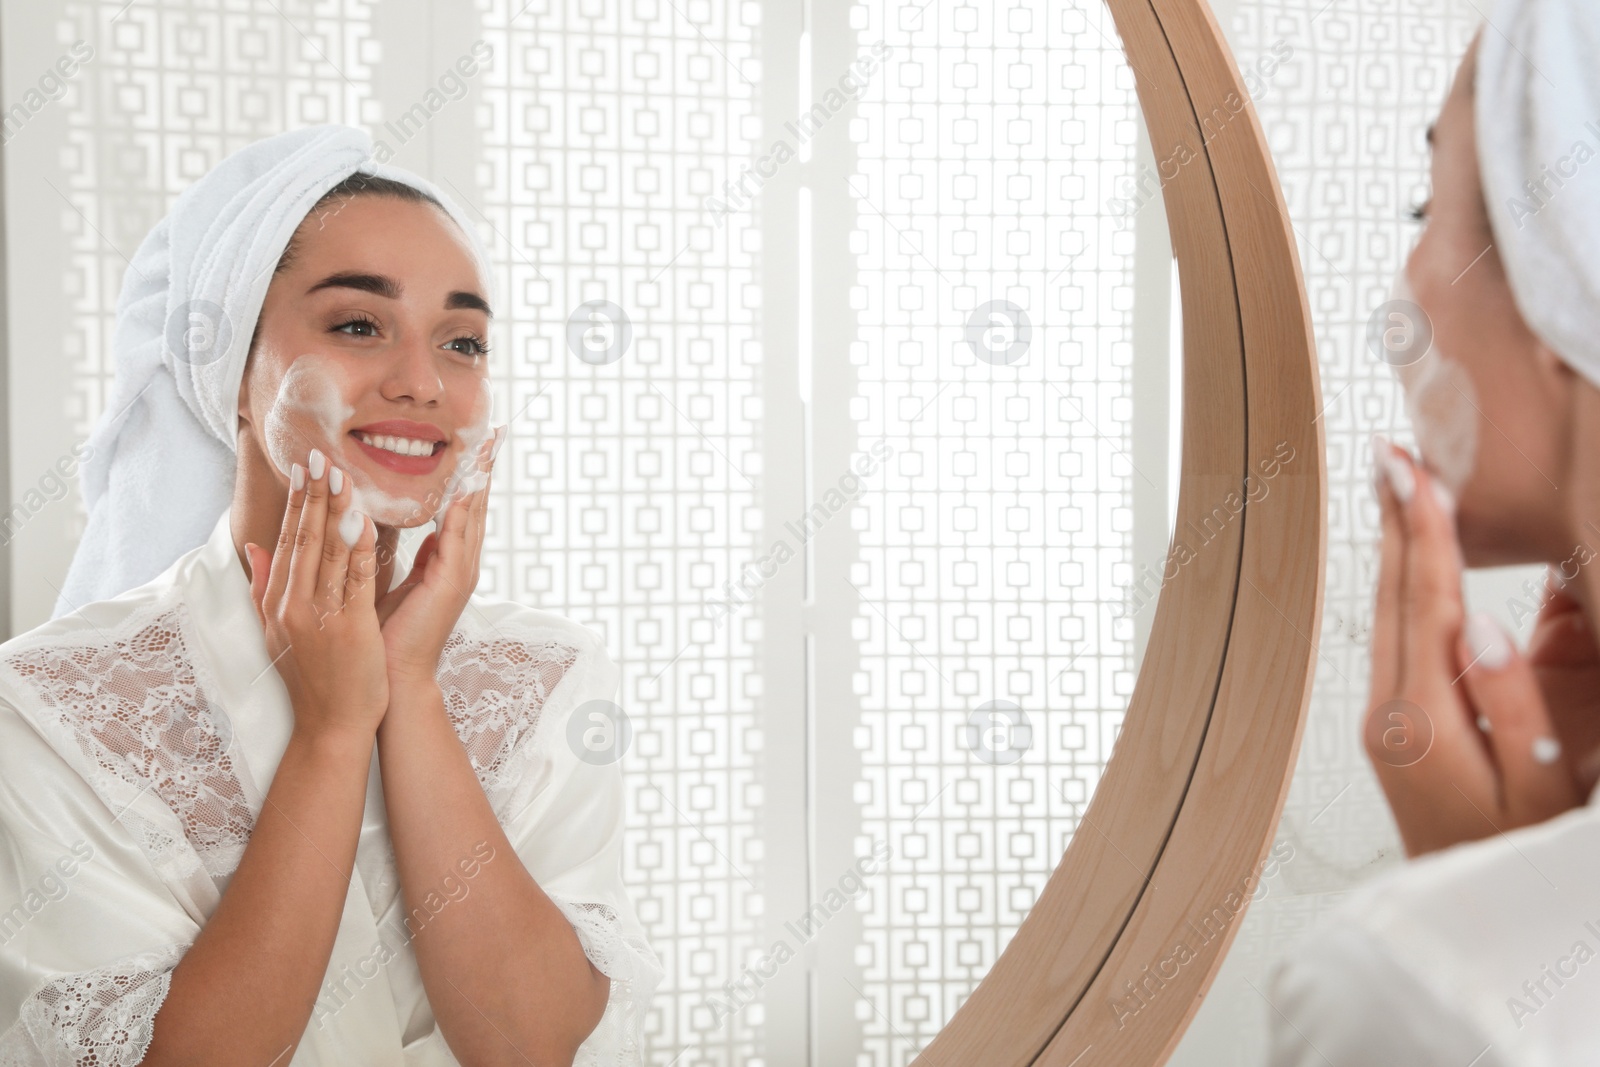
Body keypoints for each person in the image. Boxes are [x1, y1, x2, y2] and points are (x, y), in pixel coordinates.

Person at [0, 125, 662, 1065]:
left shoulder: (548, 677)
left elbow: (530, 1043)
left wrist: (413, 690)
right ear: (232, 372)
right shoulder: (49, 702)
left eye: (463, 341)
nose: (423, 381)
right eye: (358, 324)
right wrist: (333, 730)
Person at [1266, 1, 1600, 1062]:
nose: (1404, 291)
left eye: (1426, 210)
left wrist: (1471, 930)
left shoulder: (1406, 986)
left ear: (1569, 275)